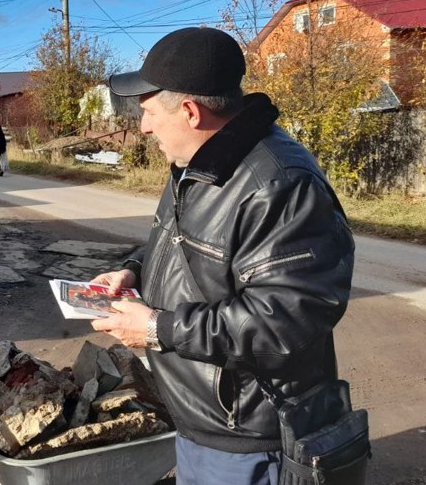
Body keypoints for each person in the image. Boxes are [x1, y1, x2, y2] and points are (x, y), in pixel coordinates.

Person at [88, 27, 355, 485]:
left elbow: (286, 318)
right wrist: (134, 271)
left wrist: (157, 328)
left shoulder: (278, 185)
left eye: (149, 112)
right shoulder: (199, 164)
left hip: (251, 435)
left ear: (190, 112)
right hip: (202, 421)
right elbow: (185, 248)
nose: (145, 125)